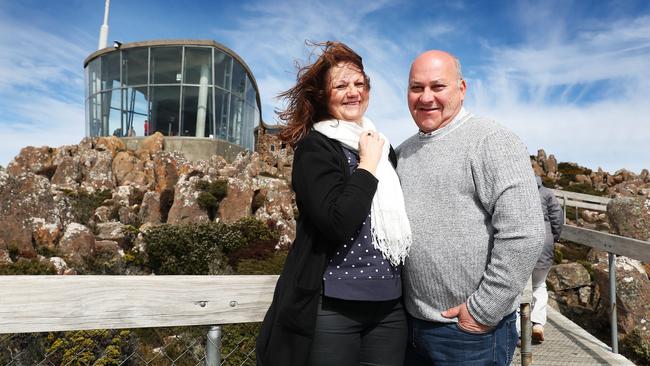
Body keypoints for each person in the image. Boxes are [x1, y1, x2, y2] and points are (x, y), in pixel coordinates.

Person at [256, 41, 412, 366]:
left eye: (359, 84)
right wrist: (367, 167)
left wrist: (373, 158)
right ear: (324, 96)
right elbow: (336, 222)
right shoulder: (316, 149)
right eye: (341, 86)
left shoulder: (382, 148)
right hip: (334, 308)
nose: (352, 92)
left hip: (390, 307)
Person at [396, 50, 545, 365]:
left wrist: (483, 310)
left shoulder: (491, 140)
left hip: (471, 335)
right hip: (412, 328)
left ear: (461, 90)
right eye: (416, 87)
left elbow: (525, 233)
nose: (426, 97)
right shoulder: (403, 152)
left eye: (438, 87)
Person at [530, 175, 564, 342]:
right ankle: (537, 323)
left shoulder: (516, 190)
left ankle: (517, 329)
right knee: (539, 285)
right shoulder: (547, 193)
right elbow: (557, 217)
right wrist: (554, 237)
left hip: (520, 243)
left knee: (517, 288)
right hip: (544, 244)